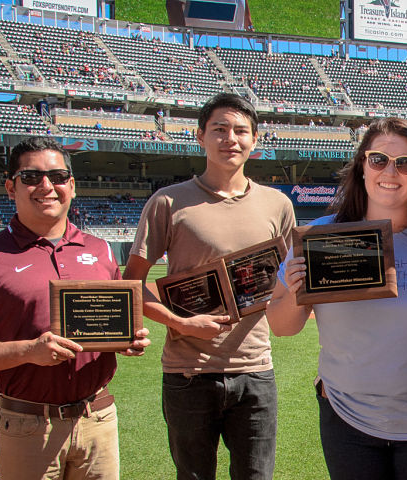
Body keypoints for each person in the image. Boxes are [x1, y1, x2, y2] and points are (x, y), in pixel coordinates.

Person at [0, 137, 150, 480]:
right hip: (28, 425)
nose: (46, 186)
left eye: (57, 176)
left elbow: (114, 321)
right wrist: (29, 351)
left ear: (72, 185)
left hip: (97, 418)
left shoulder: (100, 250)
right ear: (11, 187)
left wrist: (128, 340)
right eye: (31, 177)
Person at [266, 118, 407, 479]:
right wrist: (297, 294)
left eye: (405, 163)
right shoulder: (321, 237)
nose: (391, 171)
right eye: (378, 159)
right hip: (347, 419)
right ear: (362, 166)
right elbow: (281, 328)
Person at [123, 93, 295, 479]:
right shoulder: (168, 201)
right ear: (200, 136)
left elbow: (285, 281)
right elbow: (130, 284)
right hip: (188, 373)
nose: (230, 139)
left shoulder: (278, 204)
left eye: (240, 131)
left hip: (255, 371)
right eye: (219, 129)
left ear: (255, 140)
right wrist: (181, 323)